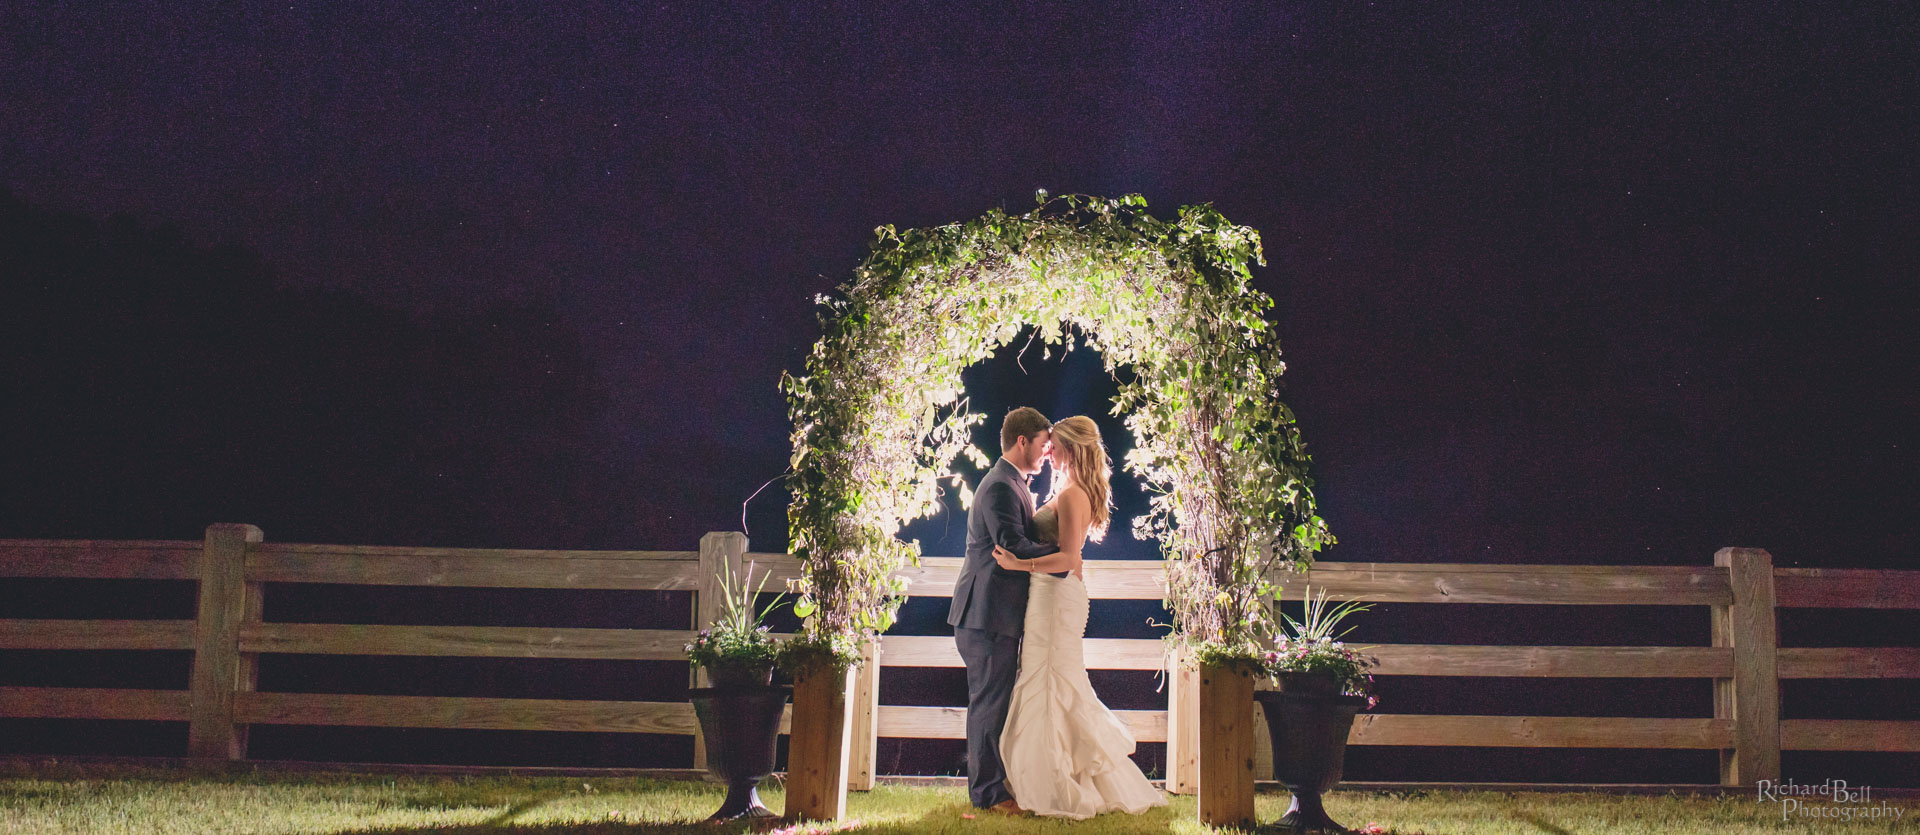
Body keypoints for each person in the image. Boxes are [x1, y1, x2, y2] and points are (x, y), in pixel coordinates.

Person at [990, 415, 1168, 819]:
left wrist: (1020, 566)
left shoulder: (1072, 495)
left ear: (1070, 449)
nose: (1047, 451)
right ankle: (1052, 778)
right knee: (1052, 681)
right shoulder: (1068, 488)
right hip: (1049, 596)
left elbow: (1069, 559)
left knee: (1049, 681)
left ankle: (1056, 787)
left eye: (1053, 445)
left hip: (1056, 596)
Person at [946, 406, 1057, 815]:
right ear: (1022, 441)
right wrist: (1065, 553)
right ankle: (988, 795)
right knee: (989, 704)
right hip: (985, 615)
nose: (1047, 452)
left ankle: (996, 785)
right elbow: (1012, 545)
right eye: (1044, 444)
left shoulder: (1014, 483)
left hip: (995, 614)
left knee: (995, 702)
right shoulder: (999, 487)